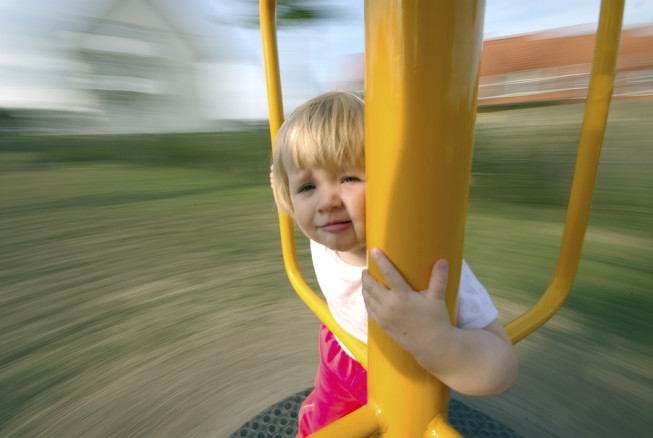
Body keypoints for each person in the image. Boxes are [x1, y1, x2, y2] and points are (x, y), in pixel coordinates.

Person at [270, 90, 518, 437]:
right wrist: (285, 183)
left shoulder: (425, 266)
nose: (326, 202)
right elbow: (288, 193)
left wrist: (439, 342)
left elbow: (502, 370)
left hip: (400, 380)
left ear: (392, 183)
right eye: (308, 186)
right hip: (339, 349)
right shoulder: (322, 236)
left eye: (349, 178)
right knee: (320, 426)